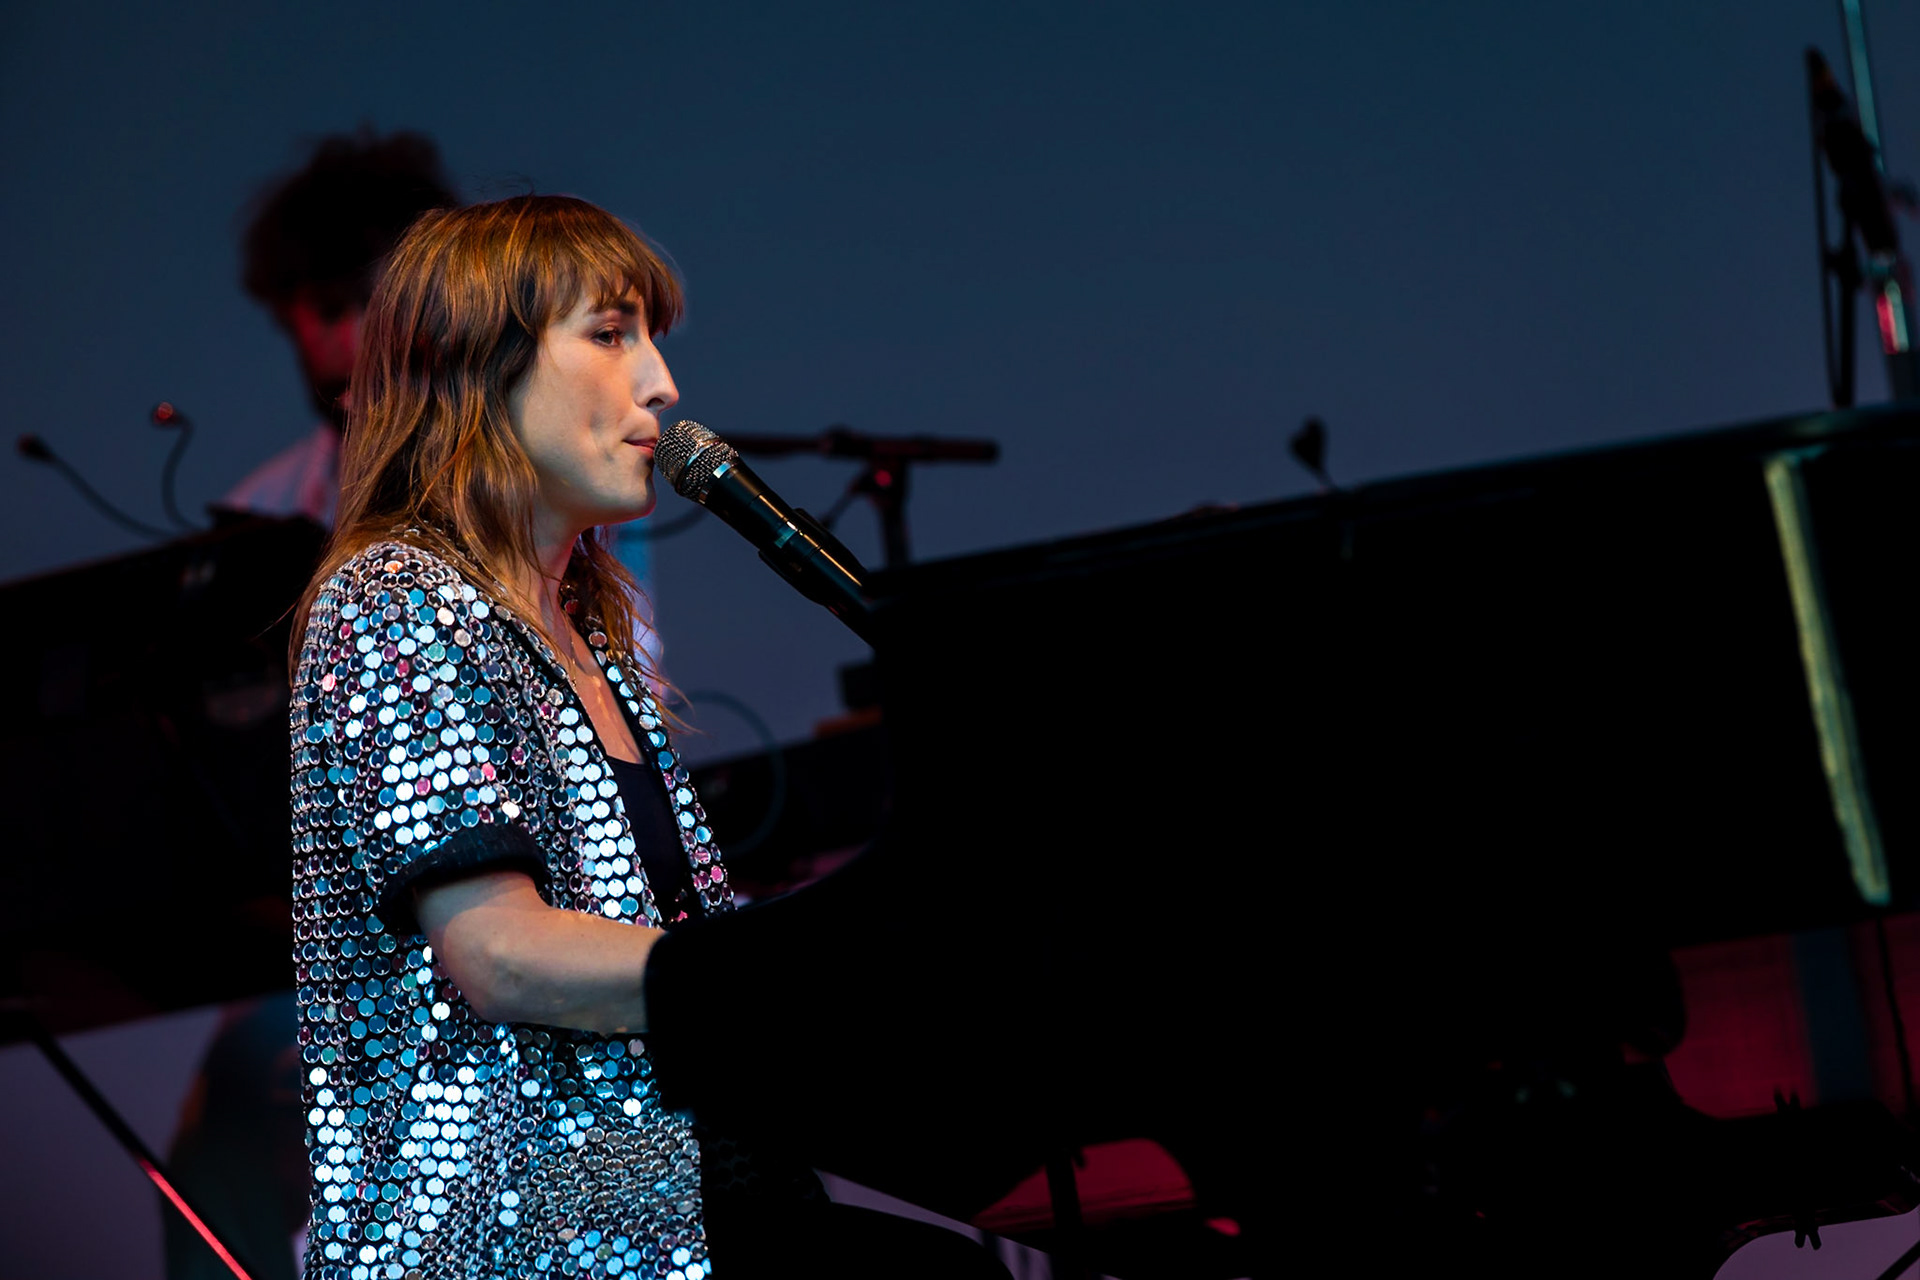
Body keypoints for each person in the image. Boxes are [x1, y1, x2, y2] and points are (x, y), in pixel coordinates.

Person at [288, 195, 1007, 1279]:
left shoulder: (589, 639)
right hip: (510, 1219)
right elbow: (495, 950)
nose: (663, 385)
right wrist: (800, 979)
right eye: (611, 333)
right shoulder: (393, 598)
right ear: (476, 366)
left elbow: (688, 957)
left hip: (639, 1177)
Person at [221, 129, 459, 526]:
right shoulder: (258, 512)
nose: (354, 341)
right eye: (329, 312)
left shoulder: (548, 484)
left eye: (375, 303)